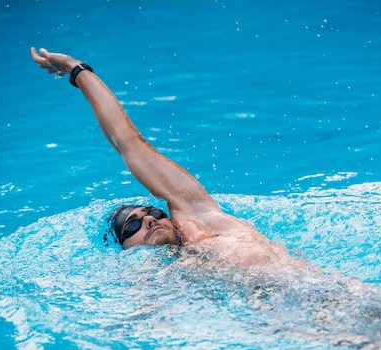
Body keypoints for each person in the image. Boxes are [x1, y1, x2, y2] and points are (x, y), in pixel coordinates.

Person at [31, 47, 307, 270]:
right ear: (124, 249)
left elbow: (128, 142)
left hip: (325, 293)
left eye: (154, 212)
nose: (150, 220)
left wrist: (76, 69)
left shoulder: (202, 223)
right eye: (133, 225)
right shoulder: (166, 275)